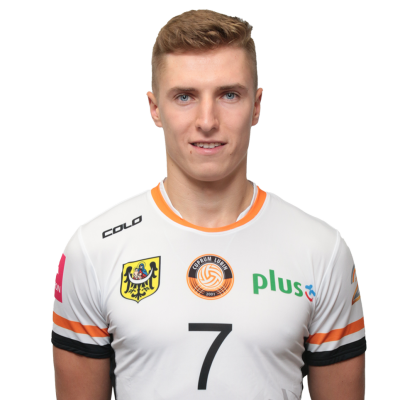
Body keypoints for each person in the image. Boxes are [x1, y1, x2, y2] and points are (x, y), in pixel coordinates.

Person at [51, 9, 366, 400]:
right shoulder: (92, 249)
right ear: (154, 108)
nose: (207, 121)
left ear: (257, 105)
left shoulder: (322, 249)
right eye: (184, 96)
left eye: (229, 95)